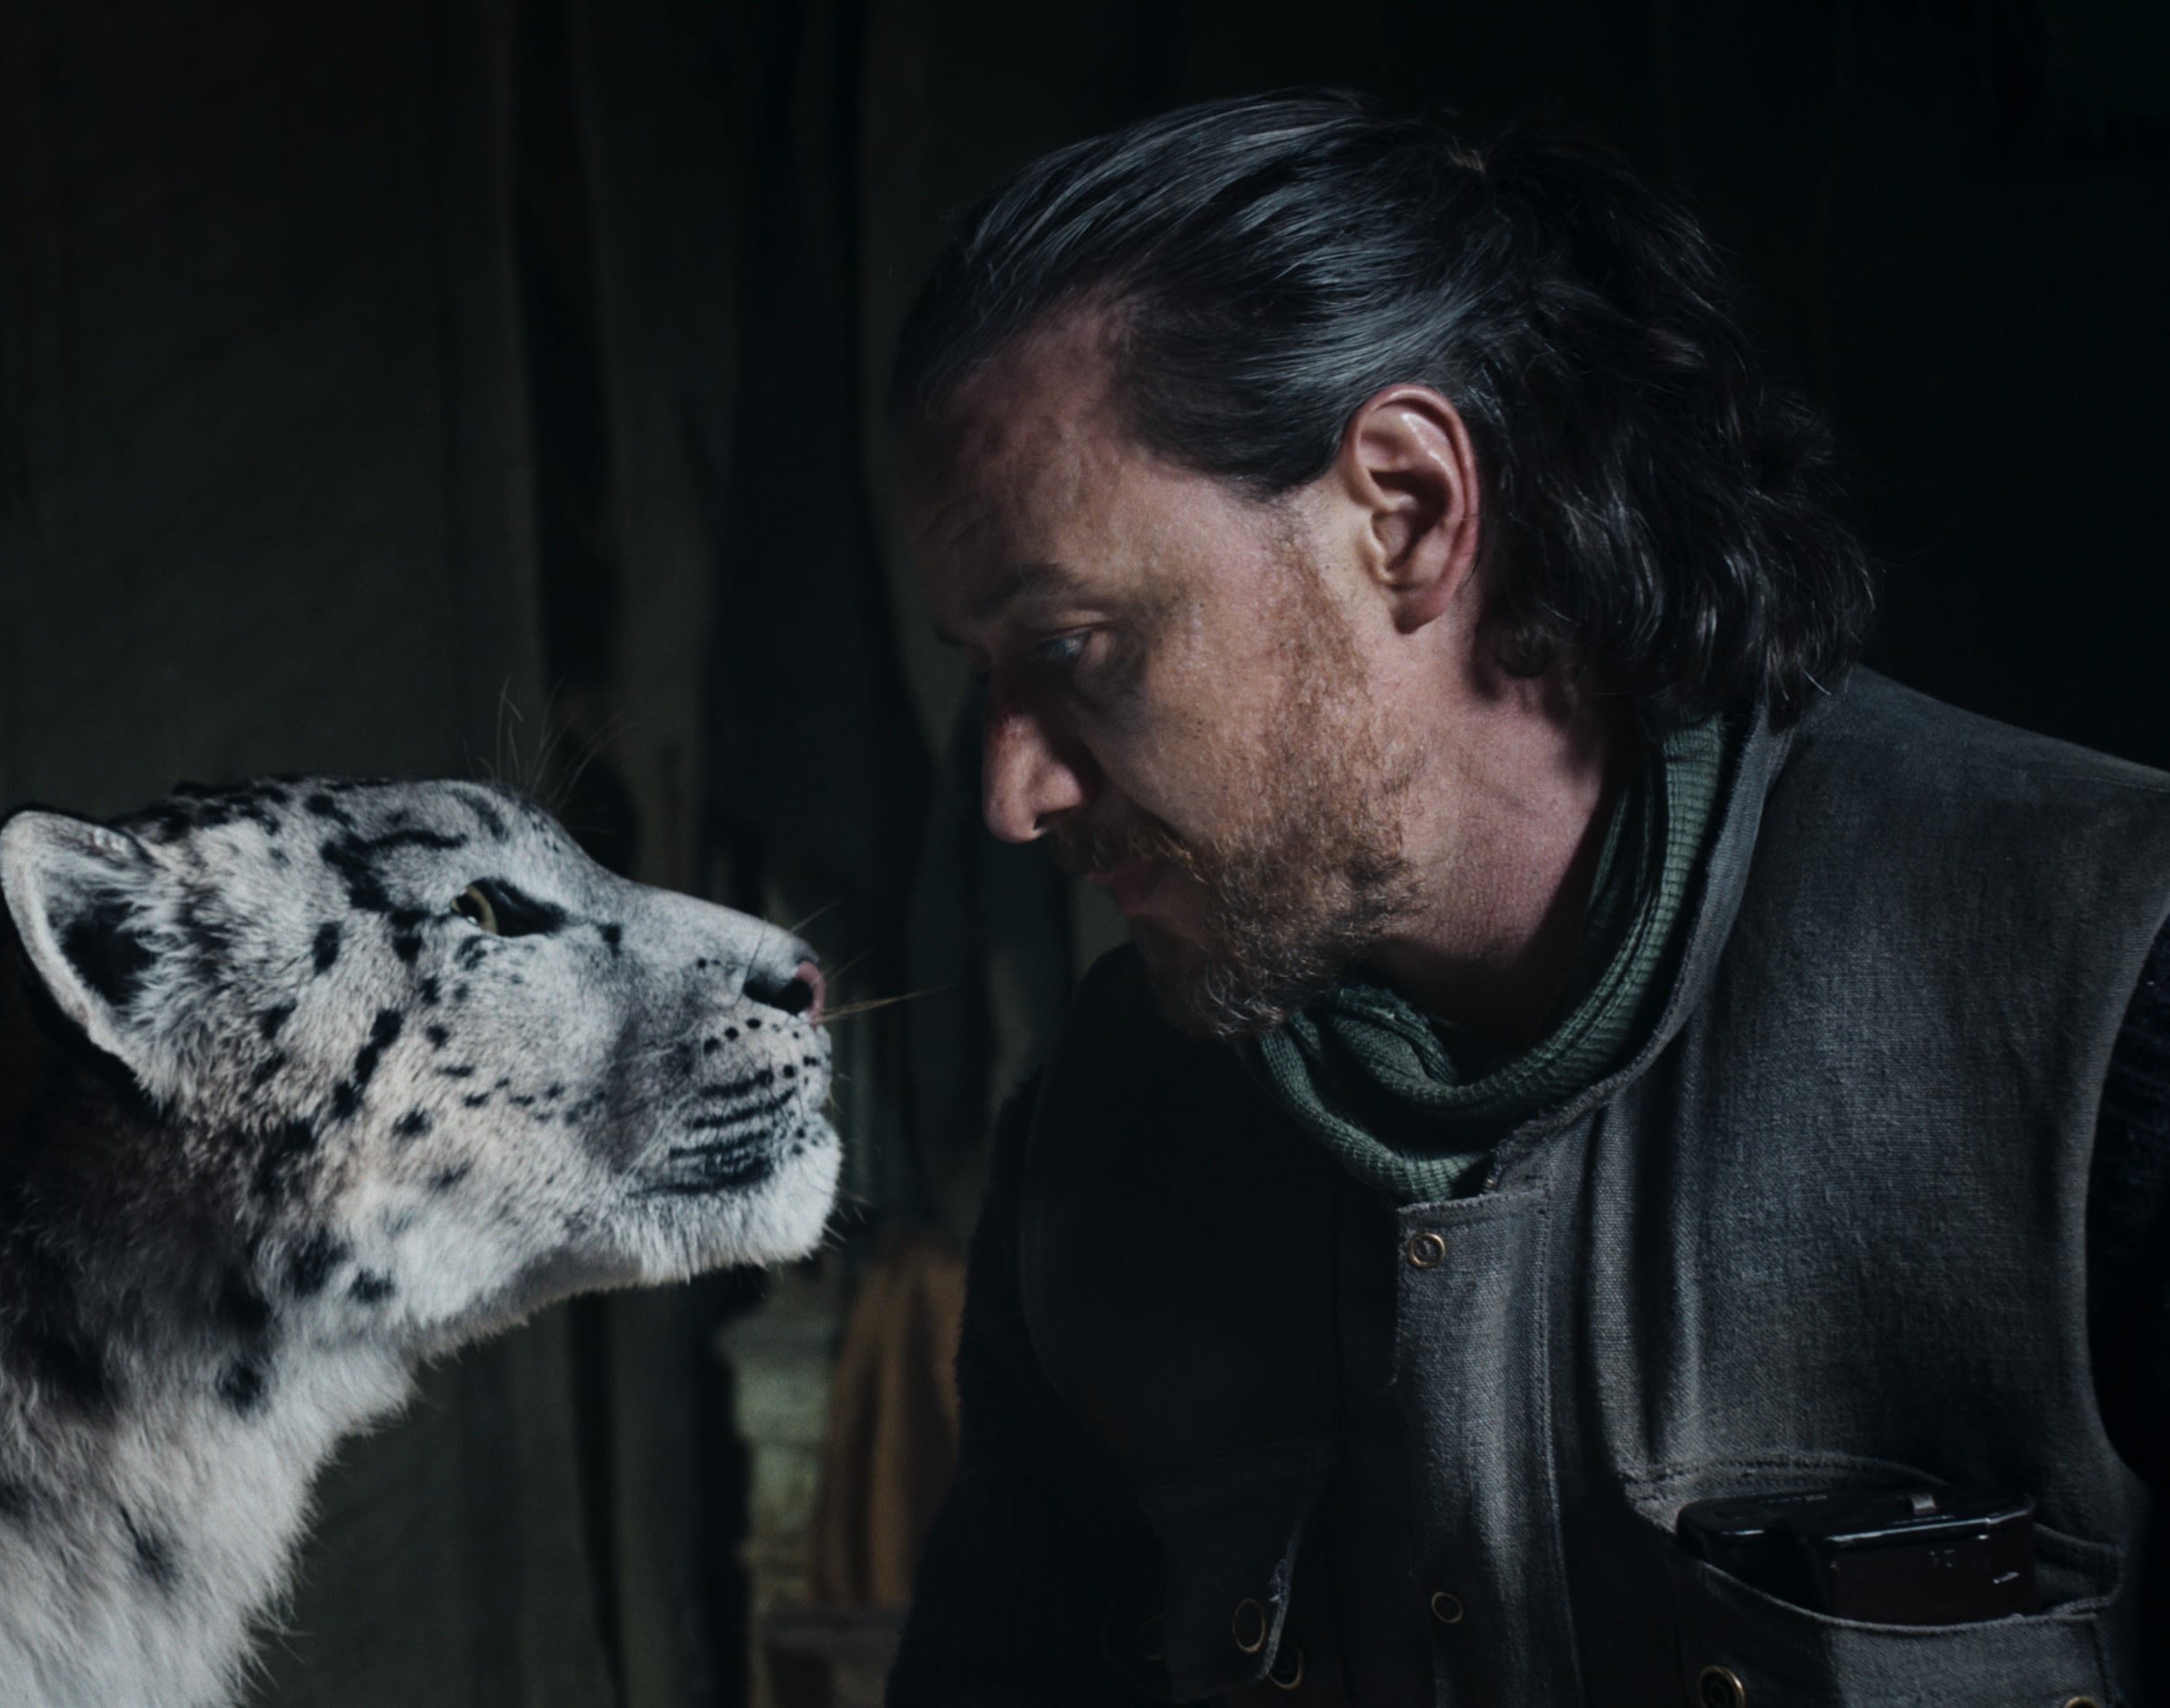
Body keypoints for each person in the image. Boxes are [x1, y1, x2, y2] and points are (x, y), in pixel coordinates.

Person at [882, 90, 2170, 1706]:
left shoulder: (2104, 987)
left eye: (1073, 649)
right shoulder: (1099, 1139)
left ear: (1404, 510)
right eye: (982, 682)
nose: (1012, 794)